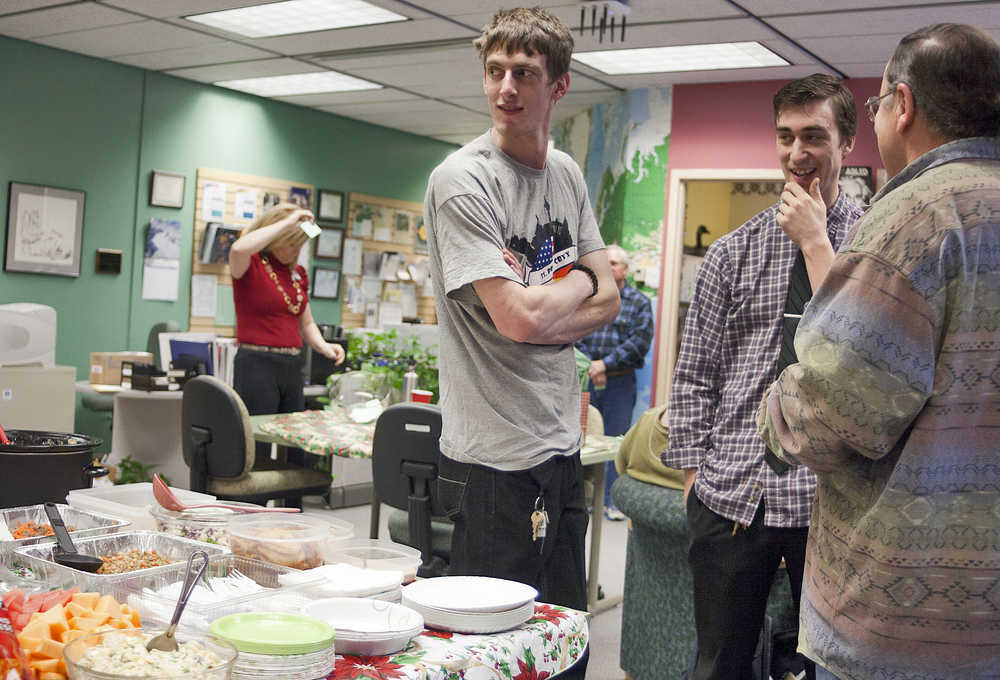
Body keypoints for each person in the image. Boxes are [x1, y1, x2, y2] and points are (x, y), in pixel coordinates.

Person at [757, 24, 1000, 680]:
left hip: (903, 620)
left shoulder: (914, 215)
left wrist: (776, 410)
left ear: (902, 105)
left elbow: (839, 415)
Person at [662, 73, 863, 680]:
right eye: (785, 137)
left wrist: (812, 241)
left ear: (847, 143)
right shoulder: (733, 252)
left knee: (827, 669)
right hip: (733, 498)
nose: (797, 154)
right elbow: (695, 376)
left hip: (831, 503)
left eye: (814, 137)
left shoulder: (874, 245)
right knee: (718, 664)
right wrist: (699, 479)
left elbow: (860, 356)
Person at [424, 5, 620, 619]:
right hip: (490, 464)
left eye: (525, 74)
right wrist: (586, 275)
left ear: (558, 86)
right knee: (496, 645)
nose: (506, 88)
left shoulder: (563, 173)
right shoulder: (462, 181)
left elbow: (609, 301)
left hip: (561, 448)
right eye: (495, 71)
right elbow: (520, 320)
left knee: (563, 634)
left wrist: (559, 300)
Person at [229, 203, 345, 462]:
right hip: (257, 365)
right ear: (275, 237)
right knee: (255, 445)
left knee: (296, 444)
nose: (296, 251)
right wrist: (288, 220)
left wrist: (325, 346)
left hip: (291, 366)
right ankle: (255, 501)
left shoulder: (296, 274)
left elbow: (306, 323)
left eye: (300, 245)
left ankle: (294, 502)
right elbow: (238, 247)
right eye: (290, 243)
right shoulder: (250, 265)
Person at [575, 244, 654, 520]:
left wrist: (604, 365)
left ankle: (610, 502)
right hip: (586, 379)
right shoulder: (589, 296)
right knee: (581, 438)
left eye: (614, 264)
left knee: (614, 442)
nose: (609, 268)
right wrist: (589, 364)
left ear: (625, 269)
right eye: (604, 262)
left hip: (619, 382)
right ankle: (580, 501)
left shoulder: (639, 302)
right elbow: (576, 329)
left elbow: (639, 343)